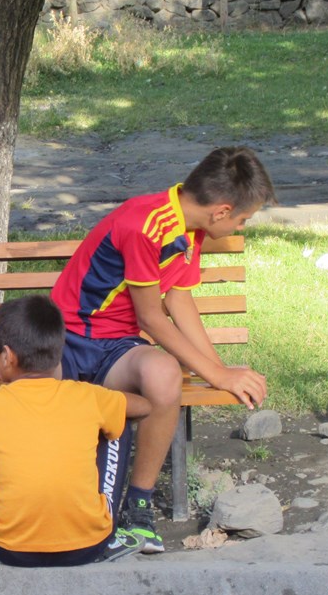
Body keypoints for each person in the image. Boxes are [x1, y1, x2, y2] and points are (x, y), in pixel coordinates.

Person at [51, 146, 277, 553]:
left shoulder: (191, 228)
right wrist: (217, 375)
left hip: (115, 344)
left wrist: (220, 368)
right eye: (244, 218)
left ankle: (137, 506)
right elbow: (153, 319)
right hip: (64, 338)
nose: (244, 224)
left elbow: (179, 301)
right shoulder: (146, 225)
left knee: (164, 373)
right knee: (42, 409)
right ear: (222, 211)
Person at [0, 295, 151, 566]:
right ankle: (106, 523)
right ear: (58, 353)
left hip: (8, 549)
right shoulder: (89, 396)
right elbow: (144, 406)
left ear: (7, 356)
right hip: (90, 546)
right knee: (118, 419)